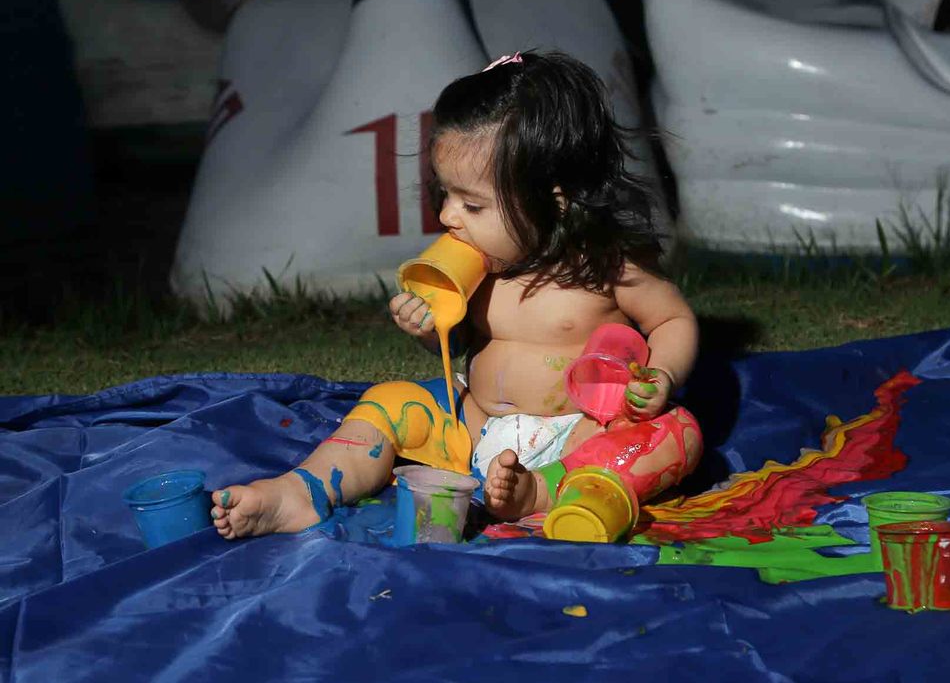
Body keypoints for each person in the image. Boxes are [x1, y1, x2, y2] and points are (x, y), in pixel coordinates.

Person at [210, 50, 702, 538]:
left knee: (676, 433)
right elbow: (461, 343)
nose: (447, 215)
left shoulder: (604, 267)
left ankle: (546, 492)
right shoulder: (478, 264)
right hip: (471, 428)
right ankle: (303, 491)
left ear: (553, 203)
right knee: (388, 401)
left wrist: (661, 374)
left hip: (579, 435)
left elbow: (672, 320)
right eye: (446, 194)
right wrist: (431, 328)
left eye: (472, 204)